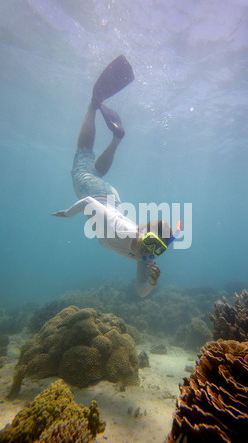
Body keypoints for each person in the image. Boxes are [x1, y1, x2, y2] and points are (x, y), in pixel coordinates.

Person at [52, 56, 177, 297]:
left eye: (159, 250)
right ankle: (93, 104)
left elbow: (140, 291)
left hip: (110, 198)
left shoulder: (145, 252)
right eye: (152, 244)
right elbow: (88, 204)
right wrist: (69, 214)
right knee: (81, 166)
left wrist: (151, 282)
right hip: (98, 197)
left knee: (93, 172)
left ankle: (117, 139)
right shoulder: (123, 233)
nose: (151, 253)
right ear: (142, 233)